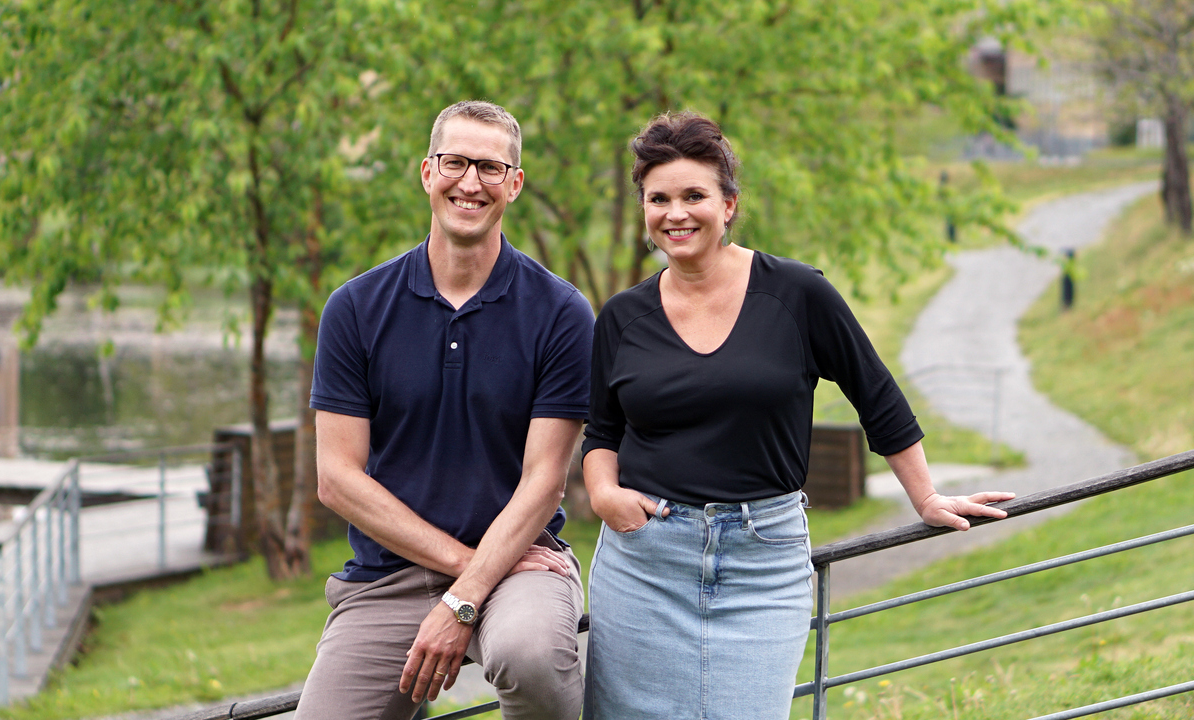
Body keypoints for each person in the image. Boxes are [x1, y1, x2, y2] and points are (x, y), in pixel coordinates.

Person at [580, 111, 1015, 720]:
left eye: (694, 196)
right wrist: (603, 494)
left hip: (764, 558)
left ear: (728, 204)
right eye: (659, 199)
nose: (675, 213)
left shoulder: (797, 293)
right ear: (644, 209)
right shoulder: (622, 317)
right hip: (645, 563)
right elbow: (602, 431)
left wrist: (925, 499)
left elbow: (876, 394)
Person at [296, 100, 594, 720]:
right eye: (455, 162)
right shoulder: (354, 308)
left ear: (513, 184)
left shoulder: (562, 313)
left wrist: (475, 586)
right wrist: (464, 576)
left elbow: (546, 479)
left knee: (531, 656)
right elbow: (337, 480)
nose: (470, 182)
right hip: (389, 576)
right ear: (427, 173)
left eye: (490, 168)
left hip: (522, 565)